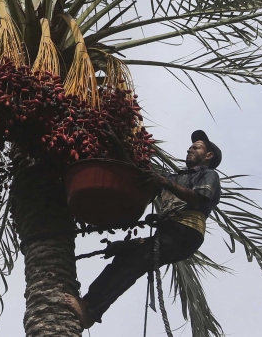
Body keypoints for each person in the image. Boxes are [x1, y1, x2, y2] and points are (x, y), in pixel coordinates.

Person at [64, 130, 222, 329]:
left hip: (186, 231)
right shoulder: (174, 177)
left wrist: (166, 183)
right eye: (191, 145)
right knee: (123, 255)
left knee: (134, 262)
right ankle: (90, 305)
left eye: (197, 147)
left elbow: (198, 198)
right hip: (169, 231)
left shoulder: (208, 175)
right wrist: (119, 149)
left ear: (209, 156)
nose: (190, 148)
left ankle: (91, 309)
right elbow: (138, 177)